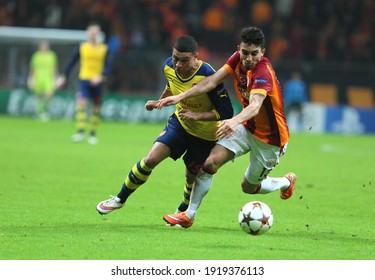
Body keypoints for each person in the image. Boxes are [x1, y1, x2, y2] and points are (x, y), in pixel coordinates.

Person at [160, 26, 297, 228]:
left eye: (254, 54)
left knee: (248, 187)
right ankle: (188, 215)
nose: (248, 58)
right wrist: (180, 96)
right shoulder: (237, 59)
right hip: (247, 127)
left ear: (263, 52)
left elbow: (255, 106)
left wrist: (233, 121)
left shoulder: (263, 73)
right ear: (238, 48)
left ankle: (286, 182)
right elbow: (212, 81)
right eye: (244, 52)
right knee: (209, 164)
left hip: (270, 140)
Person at [96, 35, 233, 215]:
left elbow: (226, 111)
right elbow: (172, 86)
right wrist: (160, 101)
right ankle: (120, 199)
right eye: (176, 58)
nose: (179, 65)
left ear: (196, 57)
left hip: (205, 136)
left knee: (191, 175)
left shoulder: (209, 75)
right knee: (151, 159)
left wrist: (196, 115)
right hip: (180, 124)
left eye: (185, 60)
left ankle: (183, 208)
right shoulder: (168, 66)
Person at [56, 22, 111, 145]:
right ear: (87, 33)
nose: (93, 33)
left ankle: (92, 134)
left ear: (98, 33)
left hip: (98, 81)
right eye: (91, 31)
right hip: (84, 79)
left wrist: (100, 76)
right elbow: (71, 62)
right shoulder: (82, 47)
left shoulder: (104, 48)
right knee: (82, 103)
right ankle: (80, 131)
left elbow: (108, 67)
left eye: (95, 31)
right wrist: (63, 76)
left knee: (96, 107)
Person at [28, 40, 58, 122]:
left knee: (49, 95)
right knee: (38, 96)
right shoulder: (36, 55)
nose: (44, 47)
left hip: (48, 78)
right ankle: (39, 113)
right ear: (40, 47)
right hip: (38, 78)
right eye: (42, 46)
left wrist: (55, 78)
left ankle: (44, 111)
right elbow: (32, 68)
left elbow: (54, 68)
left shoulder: (52, 55)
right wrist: (30, 79)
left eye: (45, 46)